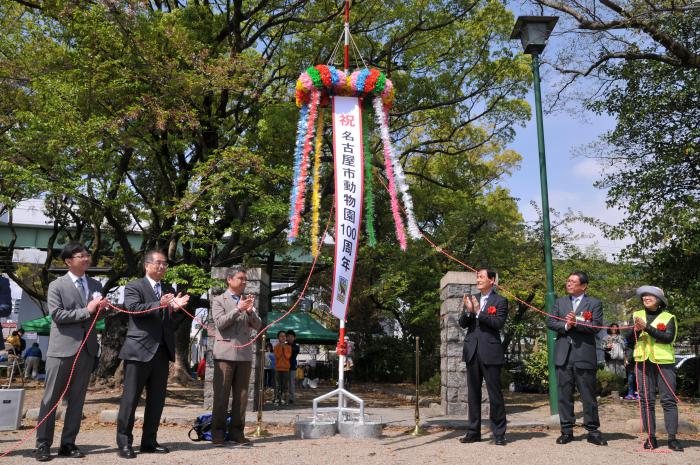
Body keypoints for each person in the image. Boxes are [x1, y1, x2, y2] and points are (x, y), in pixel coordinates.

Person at [35, 242, 107, 462]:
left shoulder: (96, 283)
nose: (86, 258)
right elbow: (57, 315)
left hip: (86, 349)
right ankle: (43, 444)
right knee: (50, 399)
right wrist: (88, 309)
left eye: (87, 255)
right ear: (68, 261)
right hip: (62, 350)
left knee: (77, 399)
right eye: (81, 255)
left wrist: (103, 310)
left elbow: (98, 319)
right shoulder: (57, 285)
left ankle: (68, 443)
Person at [116, 250, 189, 459]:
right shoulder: (134, 286)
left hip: (162, 350)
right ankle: (124, 443)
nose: (162, 267)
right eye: (158, 263)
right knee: (130, 399)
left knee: (156, 400)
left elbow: (169, 322)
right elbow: (133, 308)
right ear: (147, 265)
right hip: (139, 349)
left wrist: (174, 309)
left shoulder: (168, 288)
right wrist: (161, 304)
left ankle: (149, 441)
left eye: (165, 264)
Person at [547, 271, 607, 446]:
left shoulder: (594, 303)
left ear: (584, 286)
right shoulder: (560, 302)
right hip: (563, 355)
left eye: (573, 281)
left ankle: (593, 431)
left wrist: (577, 323)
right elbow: (550, 322)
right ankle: (566, 430)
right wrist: (567, 325)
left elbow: (596, 326)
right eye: (568, 281)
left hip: (584, 355)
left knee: (588, 395)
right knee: (564, 395)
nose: (569, 284)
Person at [210, 267, 261, 446]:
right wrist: (238, 309)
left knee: (241, 397)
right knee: (221, 396)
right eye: (241, 278)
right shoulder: (218, 300)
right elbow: (220, 323)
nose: (244, 282)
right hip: (224, 354)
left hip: (244, 354)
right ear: (229, 280)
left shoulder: (247, 301)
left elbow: (258, 325)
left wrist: (249, 312)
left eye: (246, 279)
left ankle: (237, 432)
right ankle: (217, 432)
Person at [457, 268, 508, 446]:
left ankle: (499, 433)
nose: (477, 280)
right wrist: (469, 311)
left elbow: (498, 323)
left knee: (495, 395)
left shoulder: (500, 301)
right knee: (473, 395)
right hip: (472, 352)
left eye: (481, 277)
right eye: (477, 277)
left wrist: (479, 312)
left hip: (491, 352)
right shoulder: (472, 299)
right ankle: (473, 432)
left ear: (492, 280)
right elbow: (463, 323)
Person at [632, 285, 683, 452]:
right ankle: (651, 437)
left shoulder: (669, 317)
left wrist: (647, 328)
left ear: (659, 300)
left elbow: (668, 337)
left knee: (668, 400)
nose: (646, 297)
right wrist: (637, 331)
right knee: (646, 400)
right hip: (643, 361)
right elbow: (627, 339)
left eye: (650, 295)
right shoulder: (636, 315)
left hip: (664, 362)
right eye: (644, 295)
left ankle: (672, 438)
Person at [273, 330, 291, 405]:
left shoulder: (289, 347)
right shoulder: (276, 346)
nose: (283, 337)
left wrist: (284, 348)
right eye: (281, 336)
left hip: (286, 369)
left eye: (284, 336)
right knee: (277, 385)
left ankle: (284, 399)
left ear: (286, 338)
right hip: (278, 368)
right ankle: (277, 399)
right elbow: (277, 356)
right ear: (278, 338)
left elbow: (288, 356)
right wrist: (281, 347)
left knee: (285, 385)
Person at [287, 329, 300, 403]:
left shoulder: (296, 346)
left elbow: (293, 352)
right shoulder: (285, 345)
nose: (290, 338)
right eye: (288, 336)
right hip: (284, 367)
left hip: (292, 367)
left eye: (292, 336)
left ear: (294, 338)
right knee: (285, 383)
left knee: (292, 383)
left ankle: (292, 398)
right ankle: (285, 397)